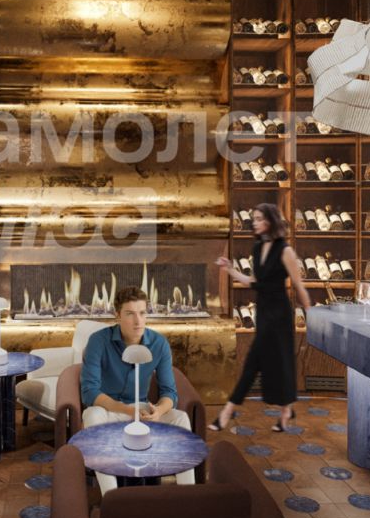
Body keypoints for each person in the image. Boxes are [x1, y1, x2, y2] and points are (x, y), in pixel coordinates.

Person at [80, 286, 196, 494]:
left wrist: (159, 411)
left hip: (143, 409)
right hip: (109, 410)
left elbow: (169, 392)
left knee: (181, 418)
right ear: (117, 315)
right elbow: (89, 392)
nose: (138, 321)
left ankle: (189, 495)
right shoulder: (98, 341)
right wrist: (126, 411)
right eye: (130, 314)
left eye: (142, 313)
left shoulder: (159, 343)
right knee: (91, 415)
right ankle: (111, 497)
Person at [212, 203, 313, 433]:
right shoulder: (258, 248)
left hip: (280, 314)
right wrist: (230, 269)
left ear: (271, 220)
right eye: (254, 219)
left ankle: (227, 412)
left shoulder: (285, 250)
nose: (255, 223)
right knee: (275, 362)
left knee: (263, 362)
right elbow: (253, 282)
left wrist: (311, 315)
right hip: (264, 312)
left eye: (259, 219)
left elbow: (299, 285)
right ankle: (286, 410)